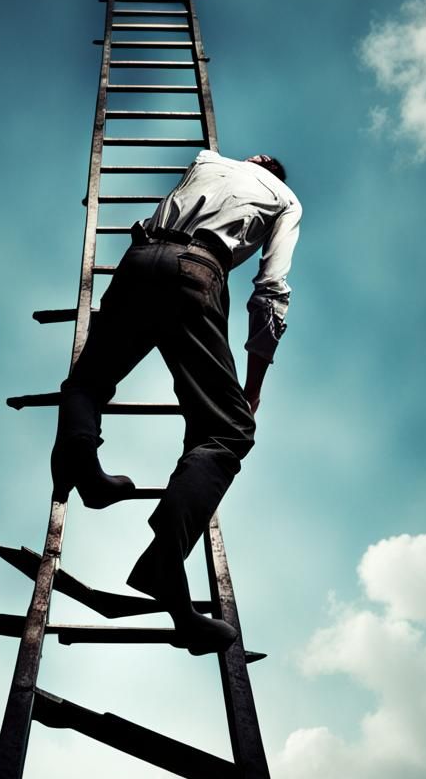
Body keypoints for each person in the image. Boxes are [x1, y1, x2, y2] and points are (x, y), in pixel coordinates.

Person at [50, 149, 302, 654]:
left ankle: (84, 468)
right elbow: (270, 289)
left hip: (140, 259)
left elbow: (199, 177)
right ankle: (166, 562)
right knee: (227, 431)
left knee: (87, 382)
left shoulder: (206, 160)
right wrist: (252, 389)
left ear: (255, 161)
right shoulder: (286, 199)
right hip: (198, 273)